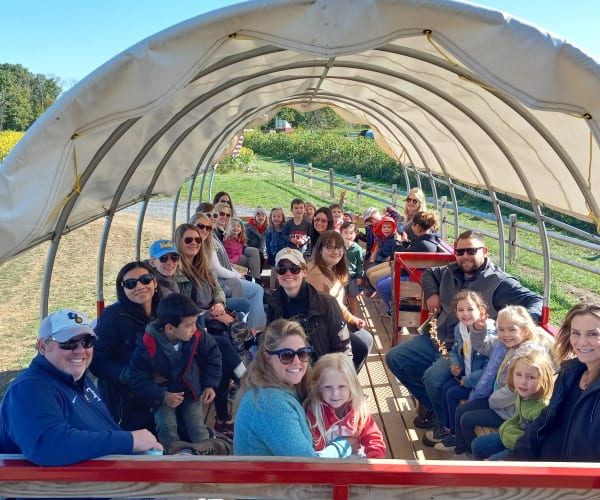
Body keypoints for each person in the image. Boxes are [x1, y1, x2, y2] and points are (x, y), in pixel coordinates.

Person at [385, 230, 543, 430]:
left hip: (464, 349)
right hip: (437, 339)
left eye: (471, 251)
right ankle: (432, 405)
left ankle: (446, 424)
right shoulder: (449, 271)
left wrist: (521, 327)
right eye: (460, 252)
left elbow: (536, 301)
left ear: (484, 251)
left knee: (432, 379)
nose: (465, 256)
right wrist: (432, 293)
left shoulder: (499, 282)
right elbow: (428, 274)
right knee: (395, 358)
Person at [0, 309, 161, 466]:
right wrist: (129, 441)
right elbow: (48, 445)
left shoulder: (78, 380)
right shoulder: (30, 388)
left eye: (87, 342)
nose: (80, 350)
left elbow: (101, 432)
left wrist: (138, 447)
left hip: (102, 484)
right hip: (60, 490)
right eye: (69, 343)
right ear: (42, 347)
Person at [148, 237, 247, 439]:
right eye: (163, 259)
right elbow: (173, 320)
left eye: (173, 257)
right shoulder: (155, 286)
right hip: (175, 348)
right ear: (153, 262)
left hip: (191, 334)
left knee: (219, 347)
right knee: (220, 347)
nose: (170, 262)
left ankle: (232, 403)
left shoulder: (176, 279)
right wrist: (205, 320)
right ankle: (245, 387)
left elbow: (192, 309)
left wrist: (212, 311)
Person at [444, 305, 553, 457]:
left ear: (525, 330)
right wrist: (479, 329)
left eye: (511, 329)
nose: (505, 334)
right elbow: (481, 345)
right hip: (497, 398)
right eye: (501, 330)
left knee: (467, 419)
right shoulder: (502, 346)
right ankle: (461, 447)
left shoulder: (526, 356)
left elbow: (513, 391)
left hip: (509, 409)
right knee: (461, 410)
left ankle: (470, 453)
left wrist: (493, 400)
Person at [233, 318, 351, 457]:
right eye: (286, 355)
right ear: (267, 357)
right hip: (271, 477)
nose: (297, 362)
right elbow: (307, 464)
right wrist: (346, 444)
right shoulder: (271, 405)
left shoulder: (281, 385)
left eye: (302, 353)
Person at [129, 293, 225, 455]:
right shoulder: (147, 344)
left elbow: (213, 355)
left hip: (191, 389)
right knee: (166, 426)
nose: (195, 328)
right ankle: (172, 459)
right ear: (170, 328)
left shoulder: (197, 335)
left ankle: (206, 459)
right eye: (189, 325)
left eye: (195, 323)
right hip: (163, 394)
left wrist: (210, 384)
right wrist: (163, 396)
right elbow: (137, 378)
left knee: (196, 427)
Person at [509, 302, 600, 461]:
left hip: (572, 480)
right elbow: (544, 421)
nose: (581, 342)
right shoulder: (570, 374)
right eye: (576, 333)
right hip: (543, 464)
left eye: (592, 334)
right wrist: (516, 457)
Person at [91, 261, 160, 431]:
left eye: (145, 279)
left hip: (166, 392)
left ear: (155, 282)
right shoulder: (112, 317)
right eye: (130, 284)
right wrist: (132, 375)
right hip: (129, 399)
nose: (139, 286)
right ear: (123, 289)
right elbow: (98, 362)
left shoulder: (165, 310)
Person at [422, 291, 492, 447]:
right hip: (466, 374)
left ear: (480, 310)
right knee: (446, 387)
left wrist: (468, 380)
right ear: (455, 312)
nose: (465, 314)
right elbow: (454, 350)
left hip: (482, 384)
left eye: (470, 309)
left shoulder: (488, 333)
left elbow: (490, 368)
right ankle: (448, 426)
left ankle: (455, 435)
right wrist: (456, 365)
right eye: (461, 310)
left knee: (453, 393)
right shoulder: (460, 329)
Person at [266, 247, 352, 362]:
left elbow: (343, 347)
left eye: (294, 269)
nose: (288, 273)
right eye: (282, 269)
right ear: (277, 274)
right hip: (289, 365)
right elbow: (270, 343)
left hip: (320, 366)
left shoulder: (327, 303)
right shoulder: (273, 303)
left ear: (305, 272)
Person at [305, 230, 373, 371]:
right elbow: (318, 313)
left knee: (366, 339)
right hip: (321, 330)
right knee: (361, 347)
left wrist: (351, 318)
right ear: (320, 250)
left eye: (339, 247)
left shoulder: (333, 270)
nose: (336, 251)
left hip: (336, 320)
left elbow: (337, 304)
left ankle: (346, 382)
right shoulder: (315, 275)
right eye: (330, 247)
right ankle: (344, 382)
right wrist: (343, 326)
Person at [471, 346, 555, 460]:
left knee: (492, 464)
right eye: (518, 375)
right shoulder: (523, 395)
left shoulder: (542, 409)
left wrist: (509, 436)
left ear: (544, 379)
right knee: (477, 445)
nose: (523, 382)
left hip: (525, 448)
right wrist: (507, 429)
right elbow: (519, 418)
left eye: (531, 377)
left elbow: (536, 444)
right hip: (514, 436)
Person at [192, 209, 266, 329]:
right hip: (220, 285)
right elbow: (217, 270)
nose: (205, 229)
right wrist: (237, 276)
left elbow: (213, 275)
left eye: (208, 227)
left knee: (255, 281)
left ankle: (253, 331)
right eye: (201, 226)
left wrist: (220, 301)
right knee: (257, 290)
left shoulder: (212, 238)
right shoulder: (202, 246)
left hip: (216, 289)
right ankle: (256, 331)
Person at [305, 353, 386, 458]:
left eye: (341, 386)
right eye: (328, 387)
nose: (335, 394)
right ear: (318, 387)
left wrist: (375, 462)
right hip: (329, 465)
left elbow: (373, 438)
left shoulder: (358, 408)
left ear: (352, 385)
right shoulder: (315, 412)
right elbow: (317, 451)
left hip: (357, 462)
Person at [373, 210, 442, 312]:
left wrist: (396, 241)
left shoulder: (423, 244)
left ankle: (397, 312)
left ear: (417, 226)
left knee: (382, 286)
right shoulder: (427, 241)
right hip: (414, 274)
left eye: (412, 225)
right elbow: (410, 252)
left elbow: (399, 257)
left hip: (416, 280)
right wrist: (405, 242)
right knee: (379, 282)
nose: (411, 227)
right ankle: (395, 308)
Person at [214, 201, 261, 279]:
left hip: (233, 254)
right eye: (222, 214)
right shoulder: (214, 231)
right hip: (225, 261)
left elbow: (239, 243)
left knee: (254, 252)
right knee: (251, 261)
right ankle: (255, 281)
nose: (225, 216)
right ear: (215, 214)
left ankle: (256, 280)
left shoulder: (224, 229)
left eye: (228, 215)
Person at [340, 221, 365, 316]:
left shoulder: (357, 248)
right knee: (341, 296)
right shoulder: (339, 246)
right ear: (341, 233)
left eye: (351, 233)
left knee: (352, 297)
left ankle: (354, 316)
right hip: (340, 276)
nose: (348, 235)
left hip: (353, 277)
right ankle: (343, 316)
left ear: (355, 234)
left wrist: (359, 276)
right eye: (345, 232)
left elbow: (360, 263)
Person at [265, 206, 287, 291]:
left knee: (282, 270)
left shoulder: (285, 229)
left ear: (282, 218)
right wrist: (268, 251)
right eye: (274, 216)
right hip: (273, 253)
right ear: (271, 217)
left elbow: (287, 241)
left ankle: (283, 288)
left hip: (283, 254)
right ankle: (271, 288)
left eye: (279, 217)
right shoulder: (269, 229)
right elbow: (267, 242)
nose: (276, 219)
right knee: (274, 270)